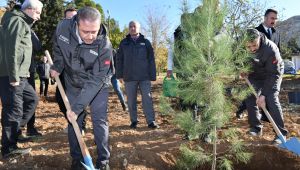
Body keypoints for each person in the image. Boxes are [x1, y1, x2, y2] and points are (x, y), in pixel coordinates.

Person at [50, 7, 112, 170]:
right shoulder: (62, 28)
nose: (91, 36)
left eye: (94, 31)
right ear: (76, 23)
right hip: (73, 80)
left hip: (98, 84)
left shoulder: (104, 45)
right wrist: (58, 65)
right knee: (73, 121)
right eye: (86, 32)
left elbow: (96, 79)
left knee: (99, 120)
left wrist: (77, 107)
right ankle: (77, 160)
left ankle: (104, 161)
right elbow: (57, 46)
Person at [0, 0, 43, 158]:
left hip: (22, 74)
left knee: (32, 100)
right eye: (38, 13)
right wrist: (14, 75)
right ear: (29, 9)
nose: (39, 17)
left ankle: (14, 133)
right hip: (12, 76)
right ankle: (8, 148)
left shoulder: (22, 22)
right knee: (13, 110)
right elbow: (12, 50)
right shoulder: (16, 21)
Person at [243, 28, 288, 144]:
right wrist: (241, 69)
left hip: (272, 73)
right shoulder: (240, 46)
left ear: (259, 39)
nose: (252, 49)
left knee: (271, 98)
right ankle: (256, 128)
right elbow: (238, 61)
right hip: (255, 73)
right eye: (249, 47)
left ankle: (281, 134)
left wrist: (263, 95)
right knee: (249, 96)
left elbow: (274, 74)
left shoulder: (270, 50)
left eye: (255, 45)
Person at [236, 8, 281, 119]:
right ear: (265, 18)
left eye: (275, 19)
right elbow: (242, 54)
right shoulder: (254, 32)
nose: (274, 21)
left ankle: (266, 115)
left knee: (269, 93)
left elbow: (278, 50)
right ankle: (242, 110)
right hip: (256, 68)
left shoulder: (276, 33)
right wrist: (243, 68)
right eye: (272, 18)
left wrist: (278, 64)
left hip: (270, 67)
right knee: (251, 93)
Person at [116, 21, 159, 129]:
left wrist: (152, 75)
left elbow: (151, 60)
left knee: (147, 99)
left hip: (144, 77)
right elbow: (119, 59)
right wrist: (119, 75)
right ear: (128, 28)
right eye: (130, 26)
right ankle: (134, 120)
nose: (132, 28)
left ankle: (151, 121)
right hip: (129, 77)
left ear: (139, 28)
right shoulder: (124, 43)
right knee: (131, 100)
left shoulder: (146, 42)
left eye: (134, 26)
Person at [54, 7, 88, 135]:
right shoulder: (60, 32)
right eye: (68, 18)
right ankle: (71, 122)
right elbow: (56, 49)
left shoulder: (83, 33)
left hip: (79, 72)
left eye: (74, 18)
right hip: (63, 70)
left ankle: (81, 126)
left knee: (79, 99)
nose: (71, 21)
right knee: (60, 98)